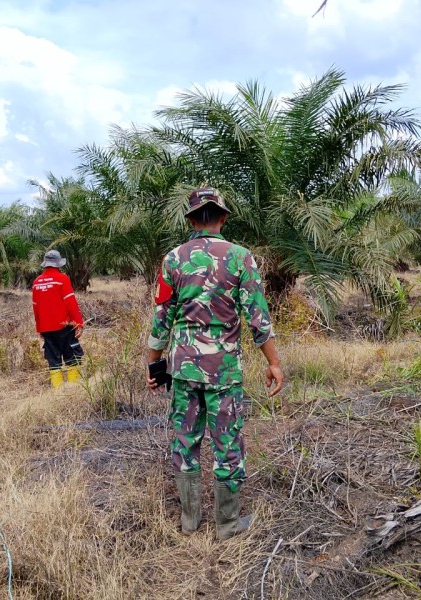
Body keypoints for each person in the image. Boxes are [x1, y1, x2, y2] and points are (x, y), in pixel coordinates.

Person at [146, 187, 283, 540]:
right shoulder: (241, 257)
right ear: (222, 218)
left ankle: (189, 521)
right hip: (223, 370)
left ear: (191, 220)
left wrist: (153, 365)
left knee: (185, 441)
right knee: (227, 444)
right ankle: (226, 524)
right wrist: (274, 363)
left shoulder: (173, 259)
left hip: (184, 368)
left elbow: (162, 317)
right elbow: (257, 316)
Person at [32, 249, 85, 389]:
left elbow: (36, 308)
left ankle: (58, 392)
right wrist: (79, 323)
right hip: (65, 327)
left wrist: (40, 329)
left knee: (53, 360)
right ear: (58, 264)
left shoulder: (37, 282)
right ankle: (73, 390)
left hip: (47, 329)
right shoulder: (62, 279)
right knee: (72, 357)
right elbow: (71, 303)